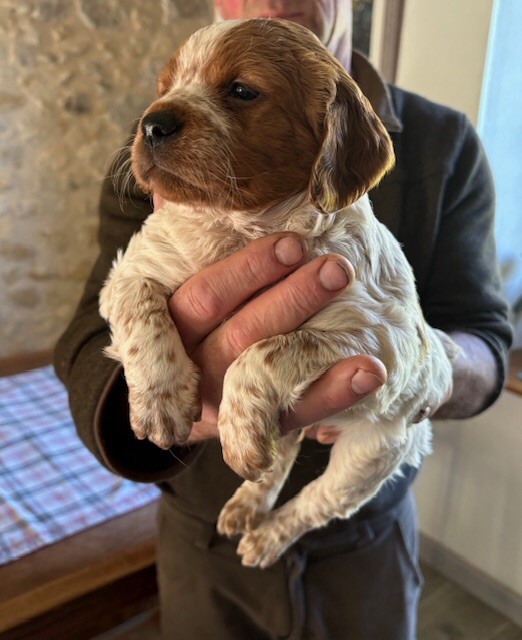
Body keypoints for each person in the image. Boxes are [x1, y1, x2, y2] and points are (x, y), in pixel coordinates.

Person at [54, 1, 512, 638]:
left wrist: (418, 368)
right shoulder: (162, 136)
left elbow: (486, 339)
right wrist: (160, 387)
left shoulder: (446, 142)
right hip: (202, 540)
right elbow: (84, 335)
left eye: (242, 92)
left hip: (364, 541)